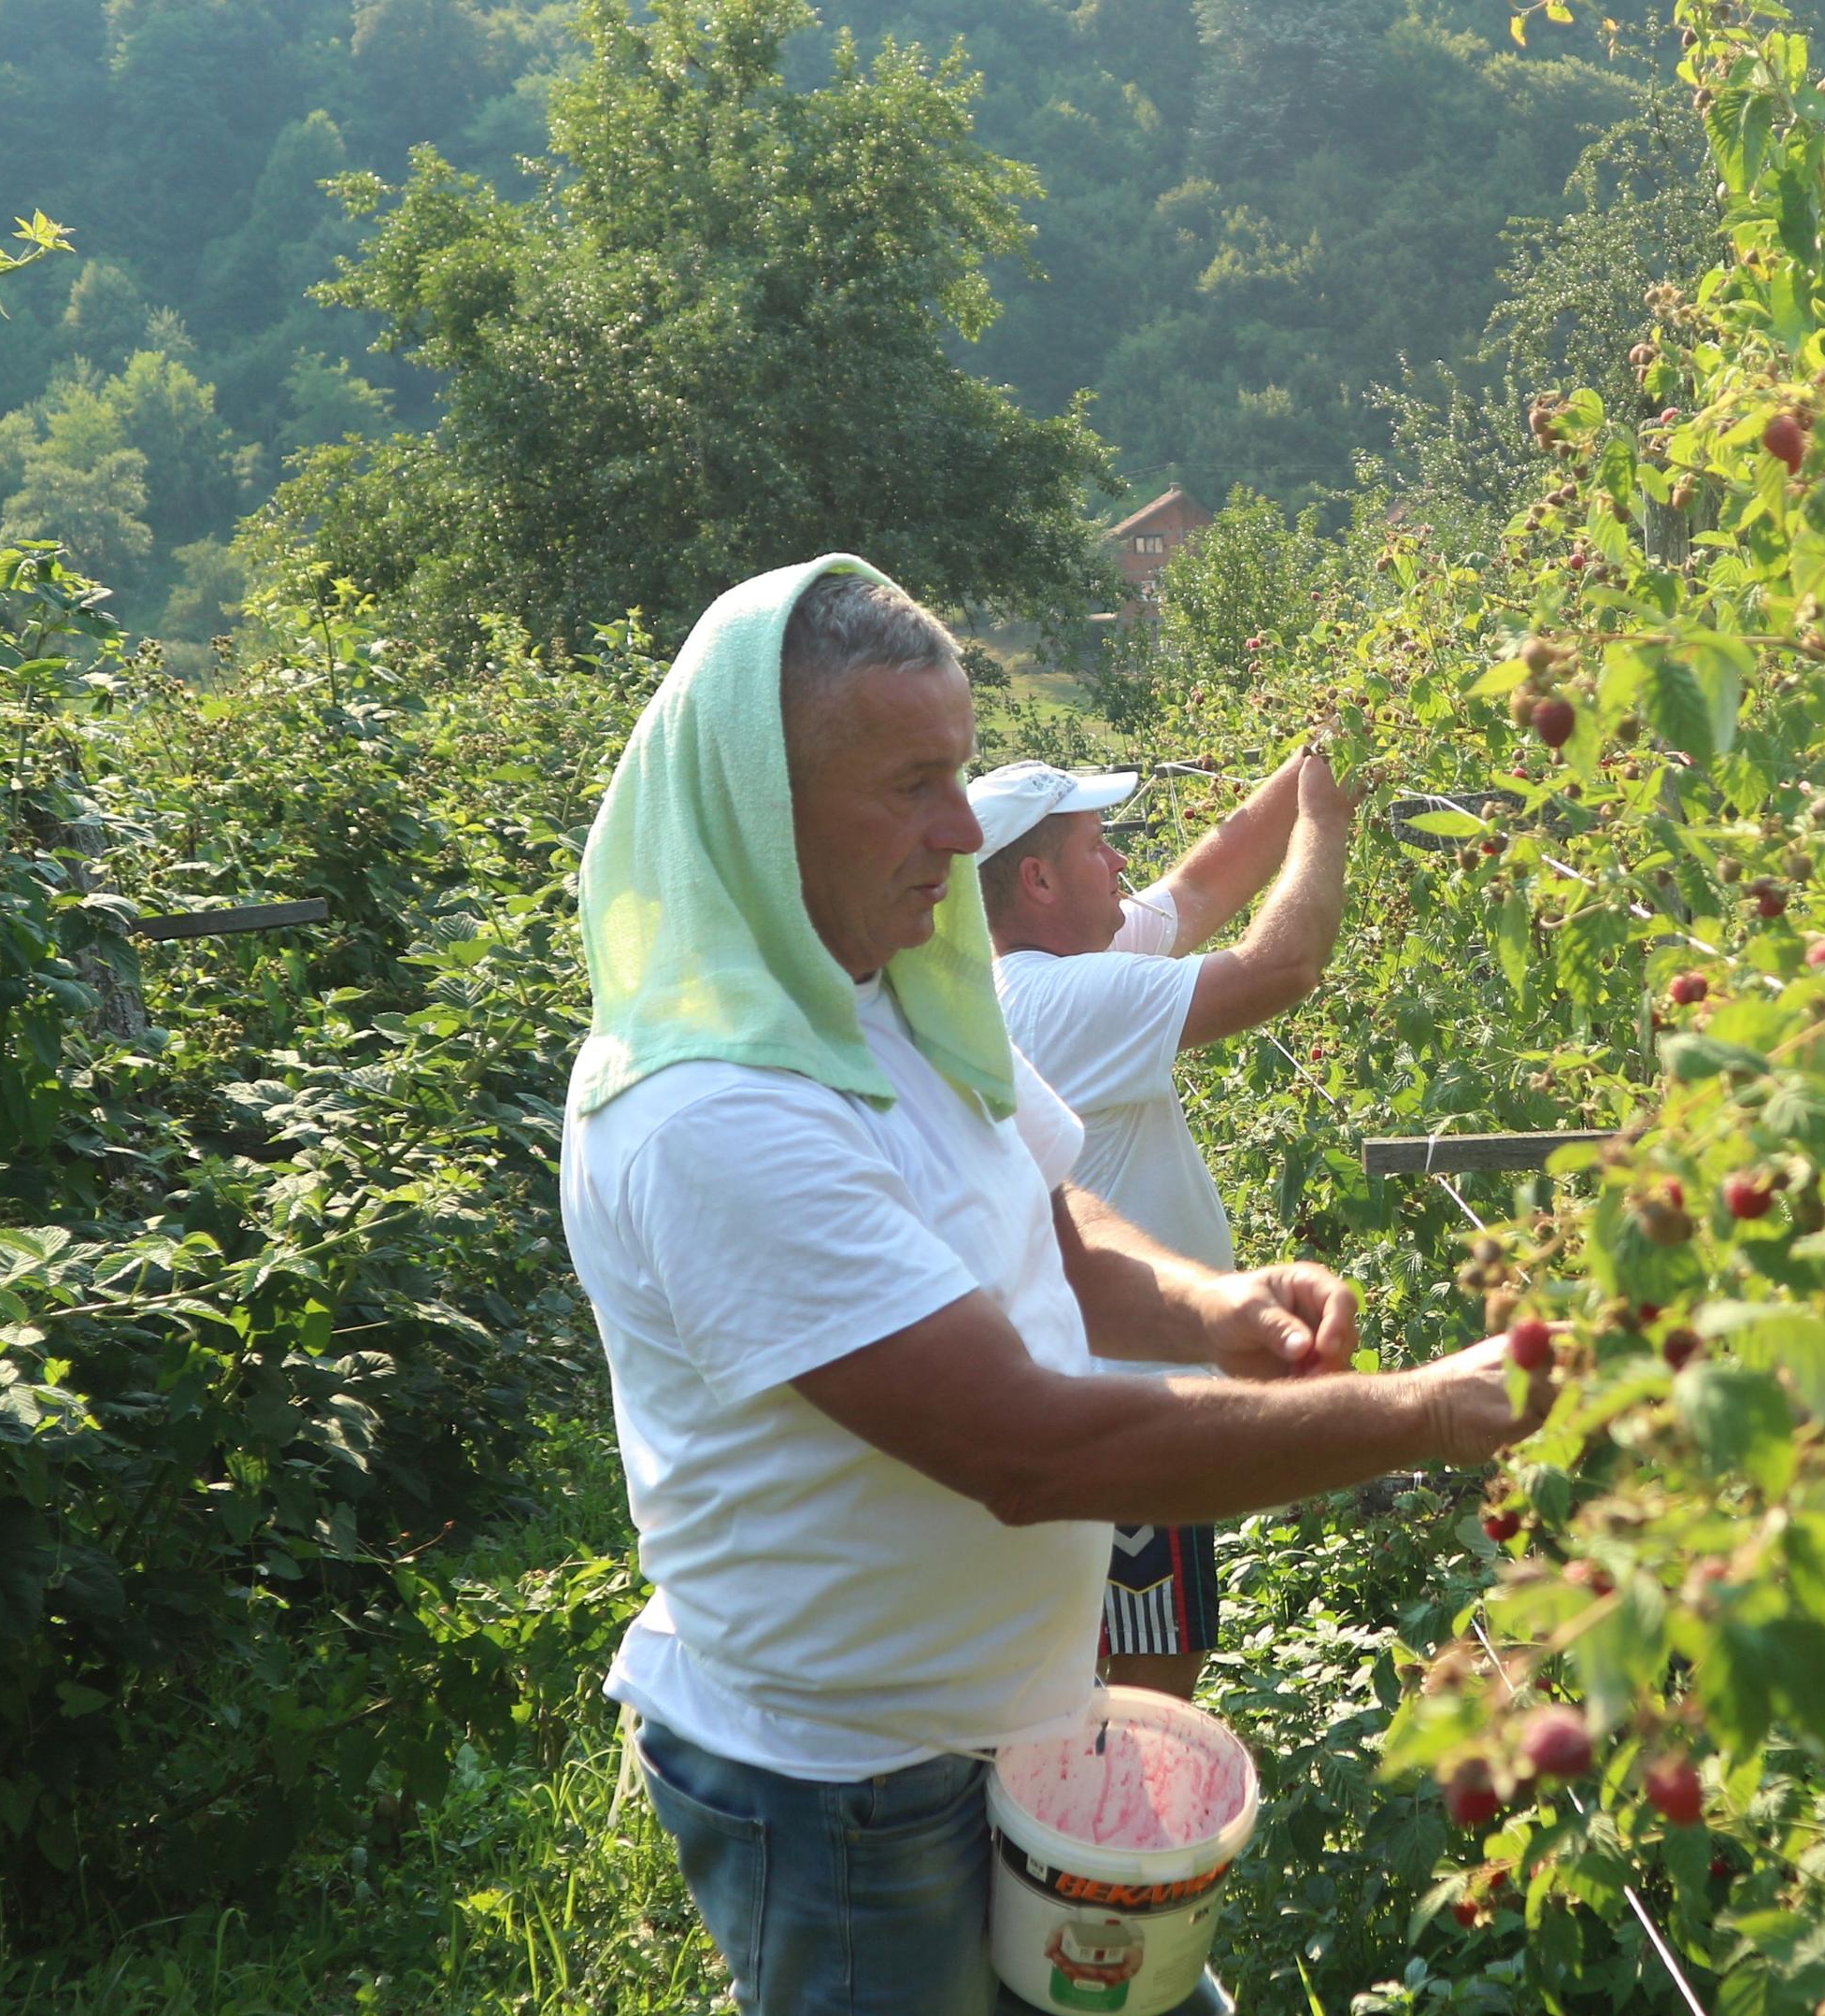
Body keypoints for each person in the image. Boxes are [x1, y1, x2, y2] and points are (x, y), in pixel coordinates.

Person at [558, 556, 1540, 2016]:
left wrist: (1205, 1308)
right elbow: (1030, 1450)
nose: (962, 831)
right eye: (909, 784)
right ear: (761, 801)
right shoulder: (716, 1113)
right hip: (848, 1789)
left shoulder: (882, 990)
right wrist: (1431, 1412)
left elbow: (1048, 1219)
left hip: (1010, 1722)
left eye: (959, 772)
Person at [968, 748, 1358, 1700]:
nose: (1122, 867)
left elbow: (1203, 883)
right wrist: (1330, 822)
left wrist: (1319, 760)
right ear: (1037, 879)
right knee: (1144, 1686)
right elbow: (1282, 966)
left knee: (1110, 1666)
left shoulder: (1047, 970)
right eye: (1099, 847)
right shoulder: (1059, 999)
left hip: (1108, 1395)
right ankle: (1108, 1846)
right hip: (1127, 1408)